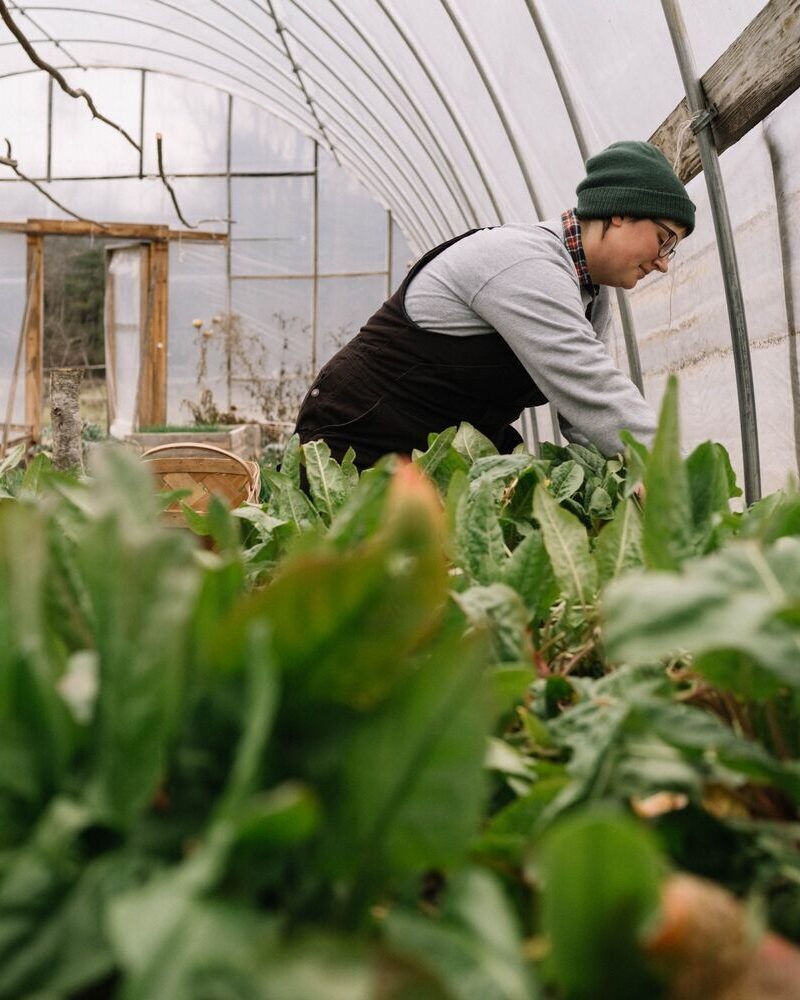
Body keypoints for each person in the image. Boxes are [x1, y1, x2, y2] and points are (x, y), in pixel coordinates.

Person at [295, 141, 695, 470]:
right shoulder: (526, 264)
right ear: (619, 212)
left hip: (442, 455)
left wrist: (624, 476)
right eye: (663, 239)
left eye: (671, 250)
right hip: (356, 439)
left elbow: (585, 417)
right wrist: (676, 477)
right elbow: (595, 388)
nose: (662, 262)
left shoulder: (591, 295)